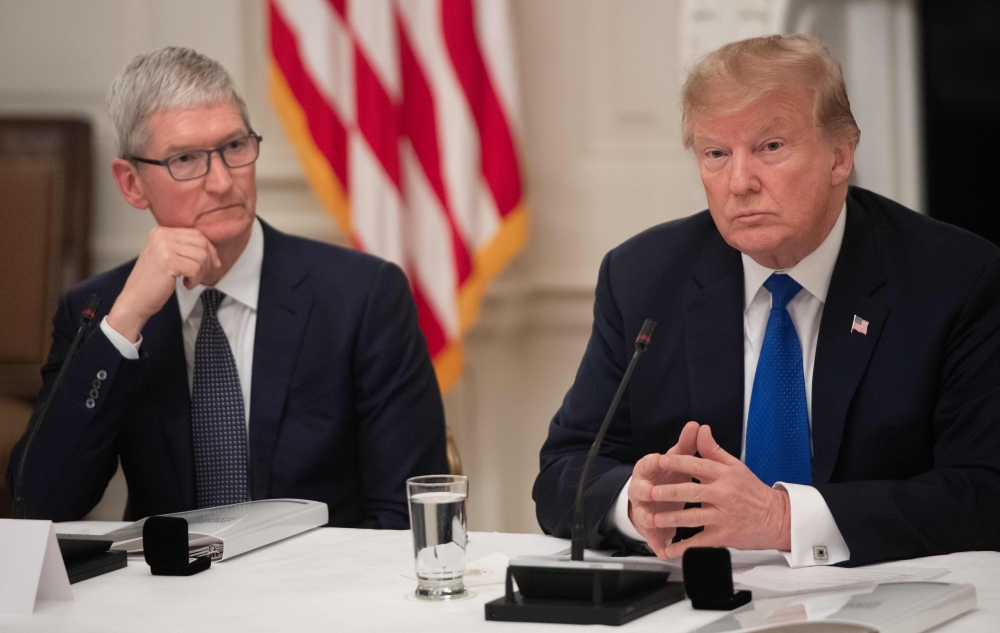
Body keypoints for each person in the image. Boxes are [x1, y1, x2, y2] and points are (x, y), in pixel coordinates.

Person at [533, 34, 1000, 567]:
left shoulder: (953, 279)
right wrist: (638, 506)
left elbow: (984, 492)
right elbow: (566, 468)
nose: (739, 182)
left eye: (770, 148)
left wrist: (783, 518)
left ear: (840, 157)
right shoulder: (643, 276)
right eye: (716, 154)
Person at [7, 47, 449, 527]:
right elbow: (41, 505)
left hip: (321, 593)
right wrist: (123, 325)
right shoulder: (97, 311)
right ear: (132, 184)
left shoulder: (362, 297)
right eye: (186, 159)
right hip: (169, 594)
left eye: (235, 147)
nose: (221, 181)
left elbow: (407, 514)